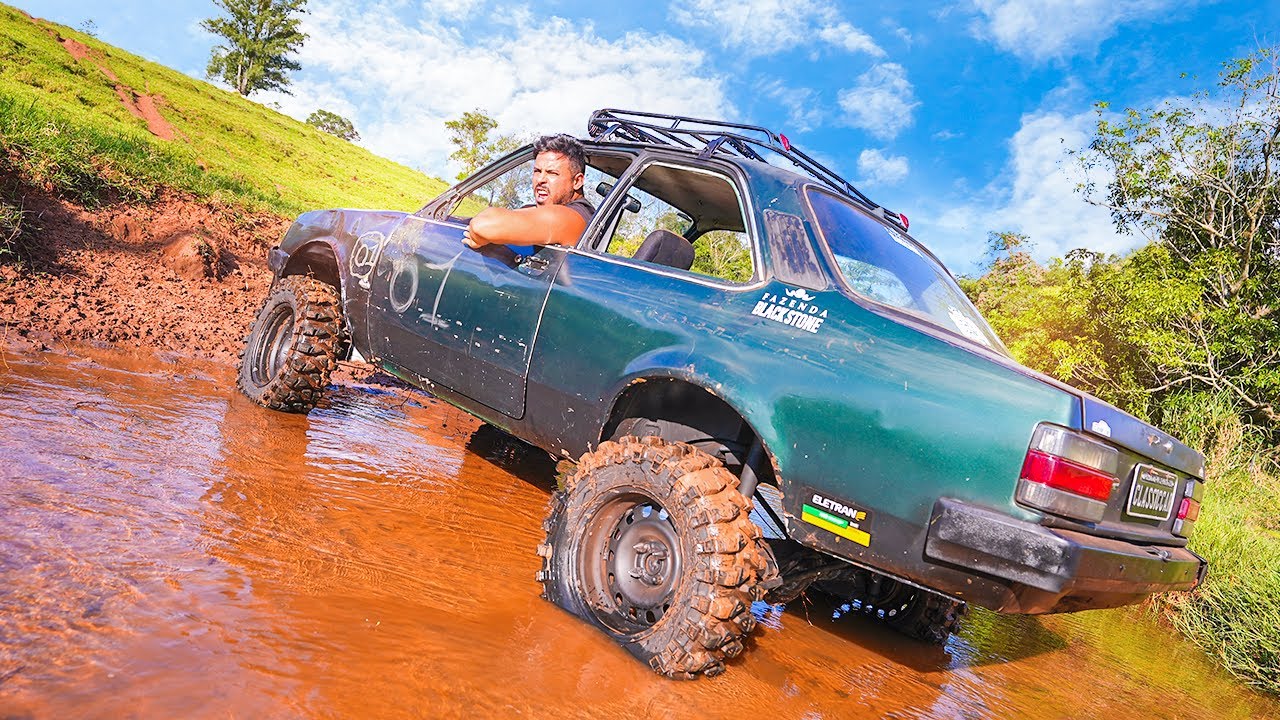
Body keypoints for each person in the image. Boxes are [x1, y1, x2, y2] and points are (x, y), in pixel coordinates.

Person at [462, 134, 595, 250]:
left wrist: (481, 237)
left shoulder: (574, 217)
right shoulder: (538, 209)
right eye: (537, 171)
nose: (541, 180)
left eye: (552, 173)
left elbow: (485, 226)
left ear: (577, 181)